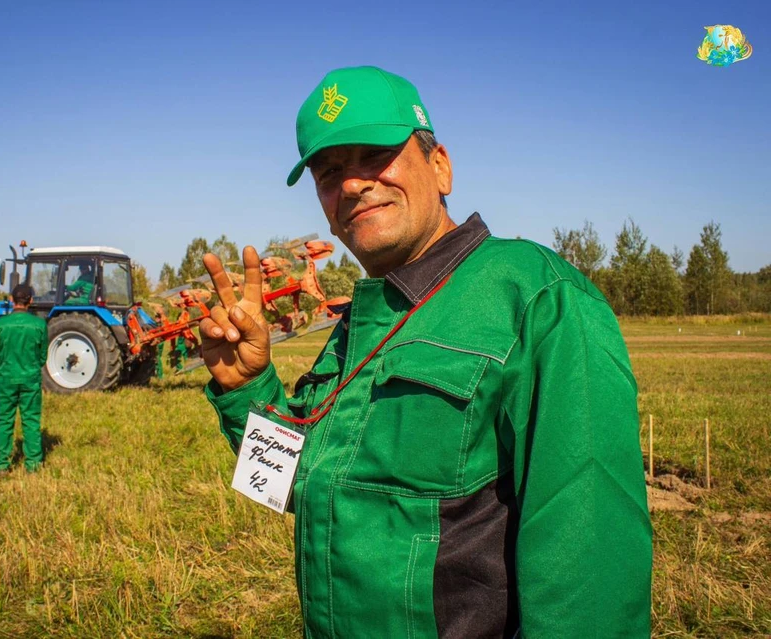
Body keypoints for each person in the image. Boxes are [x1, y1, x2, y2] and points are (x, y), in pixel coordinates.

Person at [200, 66, 651, 638]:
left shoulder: (538, 298)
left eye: (376, 155)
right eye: (329, 171)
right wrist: (246, 390)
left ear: (441, 167)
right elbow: (307, 490)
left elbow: (588, 575)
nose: (353, 184)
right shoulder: (366, 321)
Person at [0, 284, 48, 474]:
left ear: (11, 299)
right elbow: (42, 356)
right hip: (30, 378)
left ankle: (1, 465)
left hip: (7, 377)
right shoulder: (39, 324)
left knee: (4, 421)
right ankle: (33, 464)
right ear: (31, 300)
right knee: (31, 420)